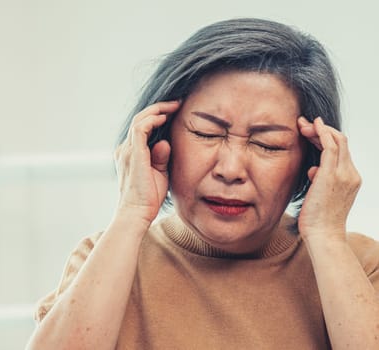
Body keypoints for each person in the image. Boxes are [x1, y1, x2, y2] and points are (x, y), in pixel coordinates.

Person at [25, 18, 379, 349]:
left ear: (312, 159)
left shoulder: (360, 265)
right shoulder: (105, 258)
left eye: (267, 144)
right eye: (206, 133)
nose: (230, 169)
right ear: (159, 137)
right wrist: (131, 214)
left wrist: (327, 237)